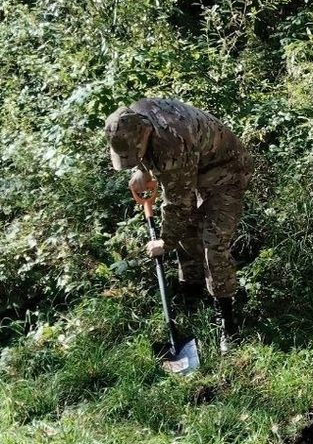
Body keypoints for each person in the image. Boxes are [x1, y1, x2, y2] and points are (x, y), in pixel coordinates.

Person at [104, 98, 252, 354]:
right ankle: (193, 298)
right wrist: (143, 170)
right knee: (185, 230)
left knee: (214, 242)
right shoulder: (133, 118)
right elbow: (150, 155)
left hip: (227, 172)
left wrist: (164, 242)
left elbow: (178, 204)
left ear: (146, 132)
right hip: (196, 168)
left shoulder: (172, 142)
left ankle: (227, 324)